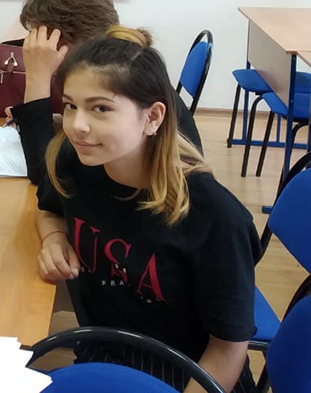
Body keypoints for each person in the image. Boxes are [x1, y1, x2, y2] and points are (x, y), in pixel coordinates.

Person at [36, 27, 259, 393]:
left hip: (186, 372)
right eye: (70, 105)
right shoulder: (76, 161)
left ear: (153, 117)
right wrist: (54, 238)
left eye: (101, 108)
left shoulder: (215, 217)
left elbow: (227, 351)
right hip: (104, 351)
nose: (77, 126)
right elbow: (47, 209)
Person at [10, 0, 202, 185]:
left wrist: (37, 76)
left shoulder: (124, 80)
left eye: (42, 38)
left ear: (62, 40)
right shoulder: (123, 68)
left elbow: (44, 174)